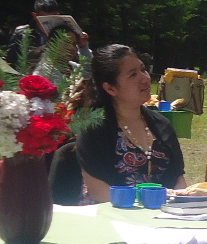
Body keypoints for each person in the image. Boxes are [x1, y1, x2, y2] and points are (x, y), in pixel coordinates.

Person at [75, 44, 187, 201]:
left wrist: (178, 203)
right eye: (132, 75)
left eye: (142, 69)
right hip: (110, 217)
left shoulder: (162, 125)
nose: (145, 78)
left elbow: (178, 180)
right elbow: (99, 193)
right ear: (110, 88)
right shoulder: (95, 130)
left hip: (163, 215)